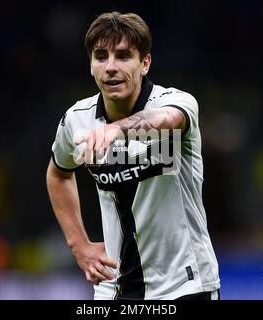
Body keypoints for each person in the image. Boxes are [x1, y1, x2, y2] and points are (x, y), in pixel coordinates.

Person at [46, 11, 220, 300]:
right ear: (91, 65)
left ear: (145, 63)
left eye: (123, 56)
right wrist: (80, 246)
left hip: (185, 286)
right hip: (113, 289)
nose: (110, 67)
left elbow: (170, 118)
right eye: (101, 57)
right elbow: (58, 173)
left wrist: (118, 130)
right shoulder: (77, 120)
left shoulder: (176, 102)